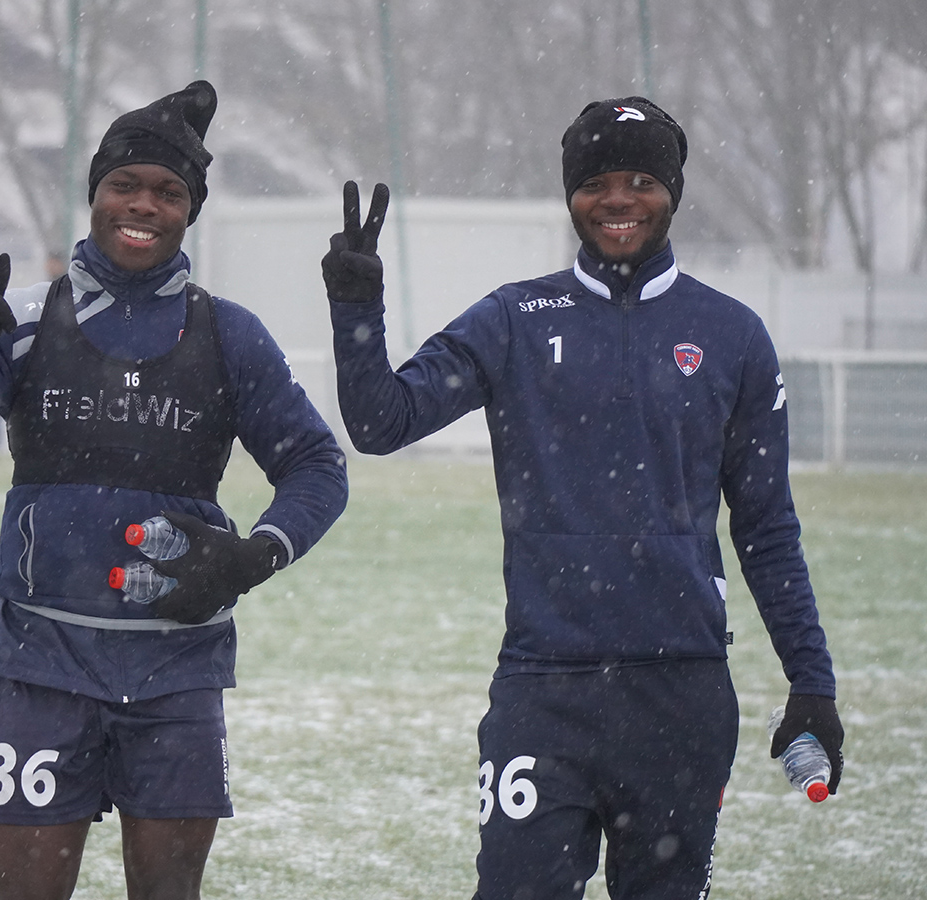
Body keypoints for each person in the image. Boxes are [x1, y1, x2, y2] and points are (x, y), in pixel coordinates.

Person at [322, 97, 843, 899]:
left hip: (681, 695)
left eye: (641, 180)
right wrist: (358, 306)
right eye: (598, 181)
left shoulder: (733, 335)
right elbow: (380, 421)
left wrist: (811, 684)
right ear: (570, 195)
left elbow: (767, 528)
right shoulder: (515, 319)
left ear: (673, 192)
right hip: (543, 688)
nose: (619, 200)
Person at [0, 80, 347, 900]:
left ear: (190, 212)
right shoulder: (26, 320)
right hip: (41, 666)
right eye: (124, 184)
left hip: (176, 673)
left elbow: (317, 466)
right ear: (94, 194)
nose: (144, 205)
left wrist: (254, 556)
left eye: (168, 192)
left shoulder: (228, 333)